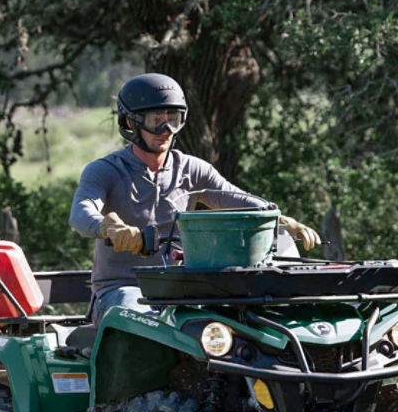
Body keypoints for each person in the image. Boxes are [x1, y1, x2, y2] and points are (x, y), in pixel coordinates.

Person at [69, 73, 322, 321]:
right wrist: (108, 228)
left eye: (174, 119)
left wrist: (276, 217)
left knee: (241, 321)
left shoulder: (191, 169)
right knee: (140, 322)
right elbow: (81, 213)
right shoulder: (105, 170)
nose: (166, 129)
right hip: (121, 291)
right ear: (130, 123)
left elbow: (235, 197)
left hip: (183, 289)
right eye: (156, 120)